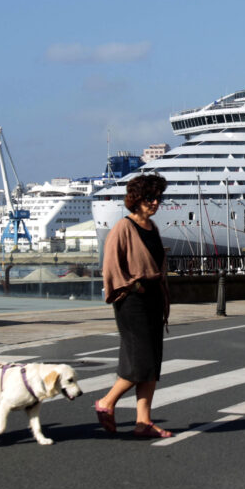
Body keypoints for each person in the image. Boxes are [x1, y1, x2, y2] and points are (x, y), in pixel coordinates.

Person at [94, 174, 173, 439]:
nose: (154, 203)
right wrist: (133, 287)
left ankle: (143, 421)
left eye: (158, 198)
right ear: (136, 200)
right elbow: (111, 266)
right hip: (132, 301)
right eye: (150, 198)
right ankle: (106, 402)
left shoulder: (152, 228)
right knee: (142, 361)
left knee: (152, 364)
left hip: (153, 300)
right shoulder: (123, 228)